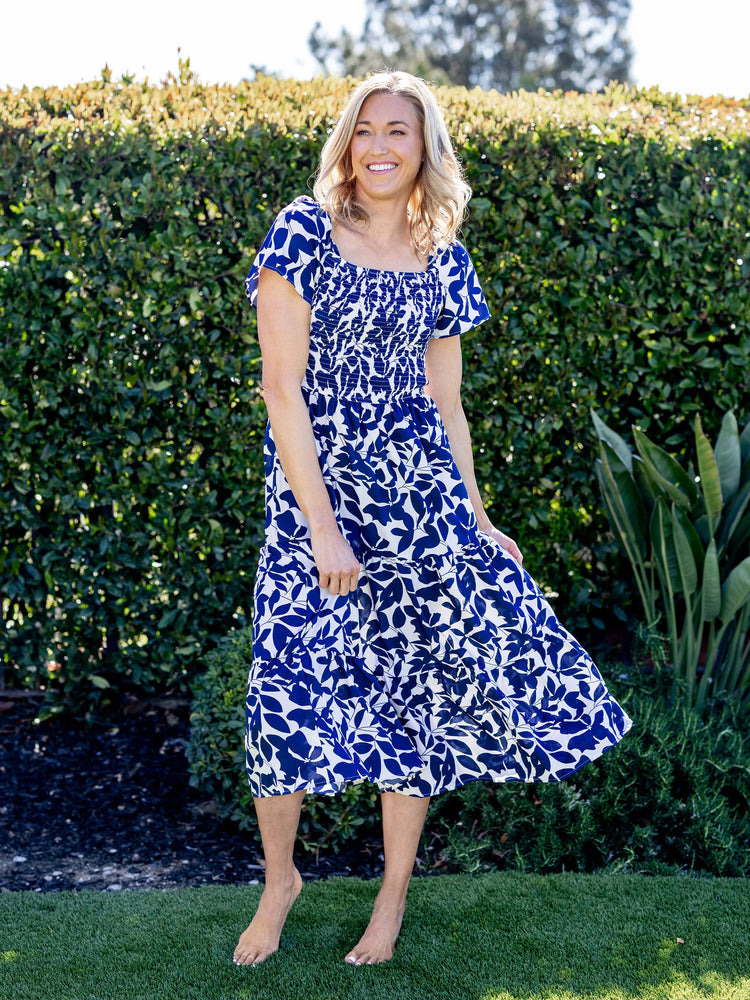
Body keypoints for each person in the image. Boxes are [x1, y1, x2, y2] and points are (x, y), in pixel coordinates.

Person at [233, 70, 631, 969]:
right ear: (347, 142)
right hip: (317, 503)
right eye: (365, 129)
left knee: (418, 700)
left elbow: (447, 406)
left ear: (425, 150)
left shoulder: (441, 246)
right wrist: (324, 527)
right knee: (285, 695)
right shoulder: (303, 231)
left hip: (421, 502)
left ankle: (392, 898)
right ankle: (280, 879)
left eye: (398, 133)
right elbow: (281, 390)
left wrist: (478, 516)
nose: (379, 145)